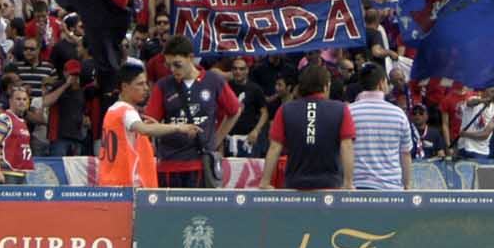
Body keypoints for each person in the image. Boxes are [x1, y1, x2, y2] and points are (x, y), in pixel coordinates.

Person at [146, 36, 240, 187]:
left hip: (201, 163)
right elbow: (149, 125)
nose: (173, 70)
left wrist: (215, 140)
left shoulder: (213, 80)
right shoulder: (163, 85)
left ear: (190, 58)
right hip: (170, 163)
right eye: (169, 65)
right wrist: (175, 128)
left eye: (177, 65)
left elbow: (234, 110)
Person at [98, 61, 198, 188]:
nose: (146, 88)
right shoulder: (127, 112)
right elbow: (144, 129)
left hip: (109, 183)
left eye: (146, 83)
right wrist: (178, 127)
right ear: (125, 86)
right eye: (140, 84)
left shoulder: (112, 110)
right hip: (126, 186)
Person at [260, 63, 355, 191]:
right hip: (330, 185)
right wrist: (348, 183)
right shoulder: (341, 109)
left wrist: (265, 182)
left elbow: (274, 147)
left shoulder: (285, 109)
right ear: (326, 86)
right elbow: (347, 146)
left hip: (295, 185)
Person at [348, 61, 411, 189]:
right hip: (390, 189)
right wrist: (407, 185)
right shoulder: (398, 114)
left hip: (356, 189)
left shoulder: (348, 112)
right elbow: (405, 154)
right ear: (381, 83)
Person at [0, 84, 34, 184]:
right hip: (7, 173)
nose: (22, 102)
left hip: (20, 172)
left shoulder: (22, 121)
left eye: (24, 99)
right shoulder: (4, 118)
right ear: (10, 101)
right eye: (18, 99)